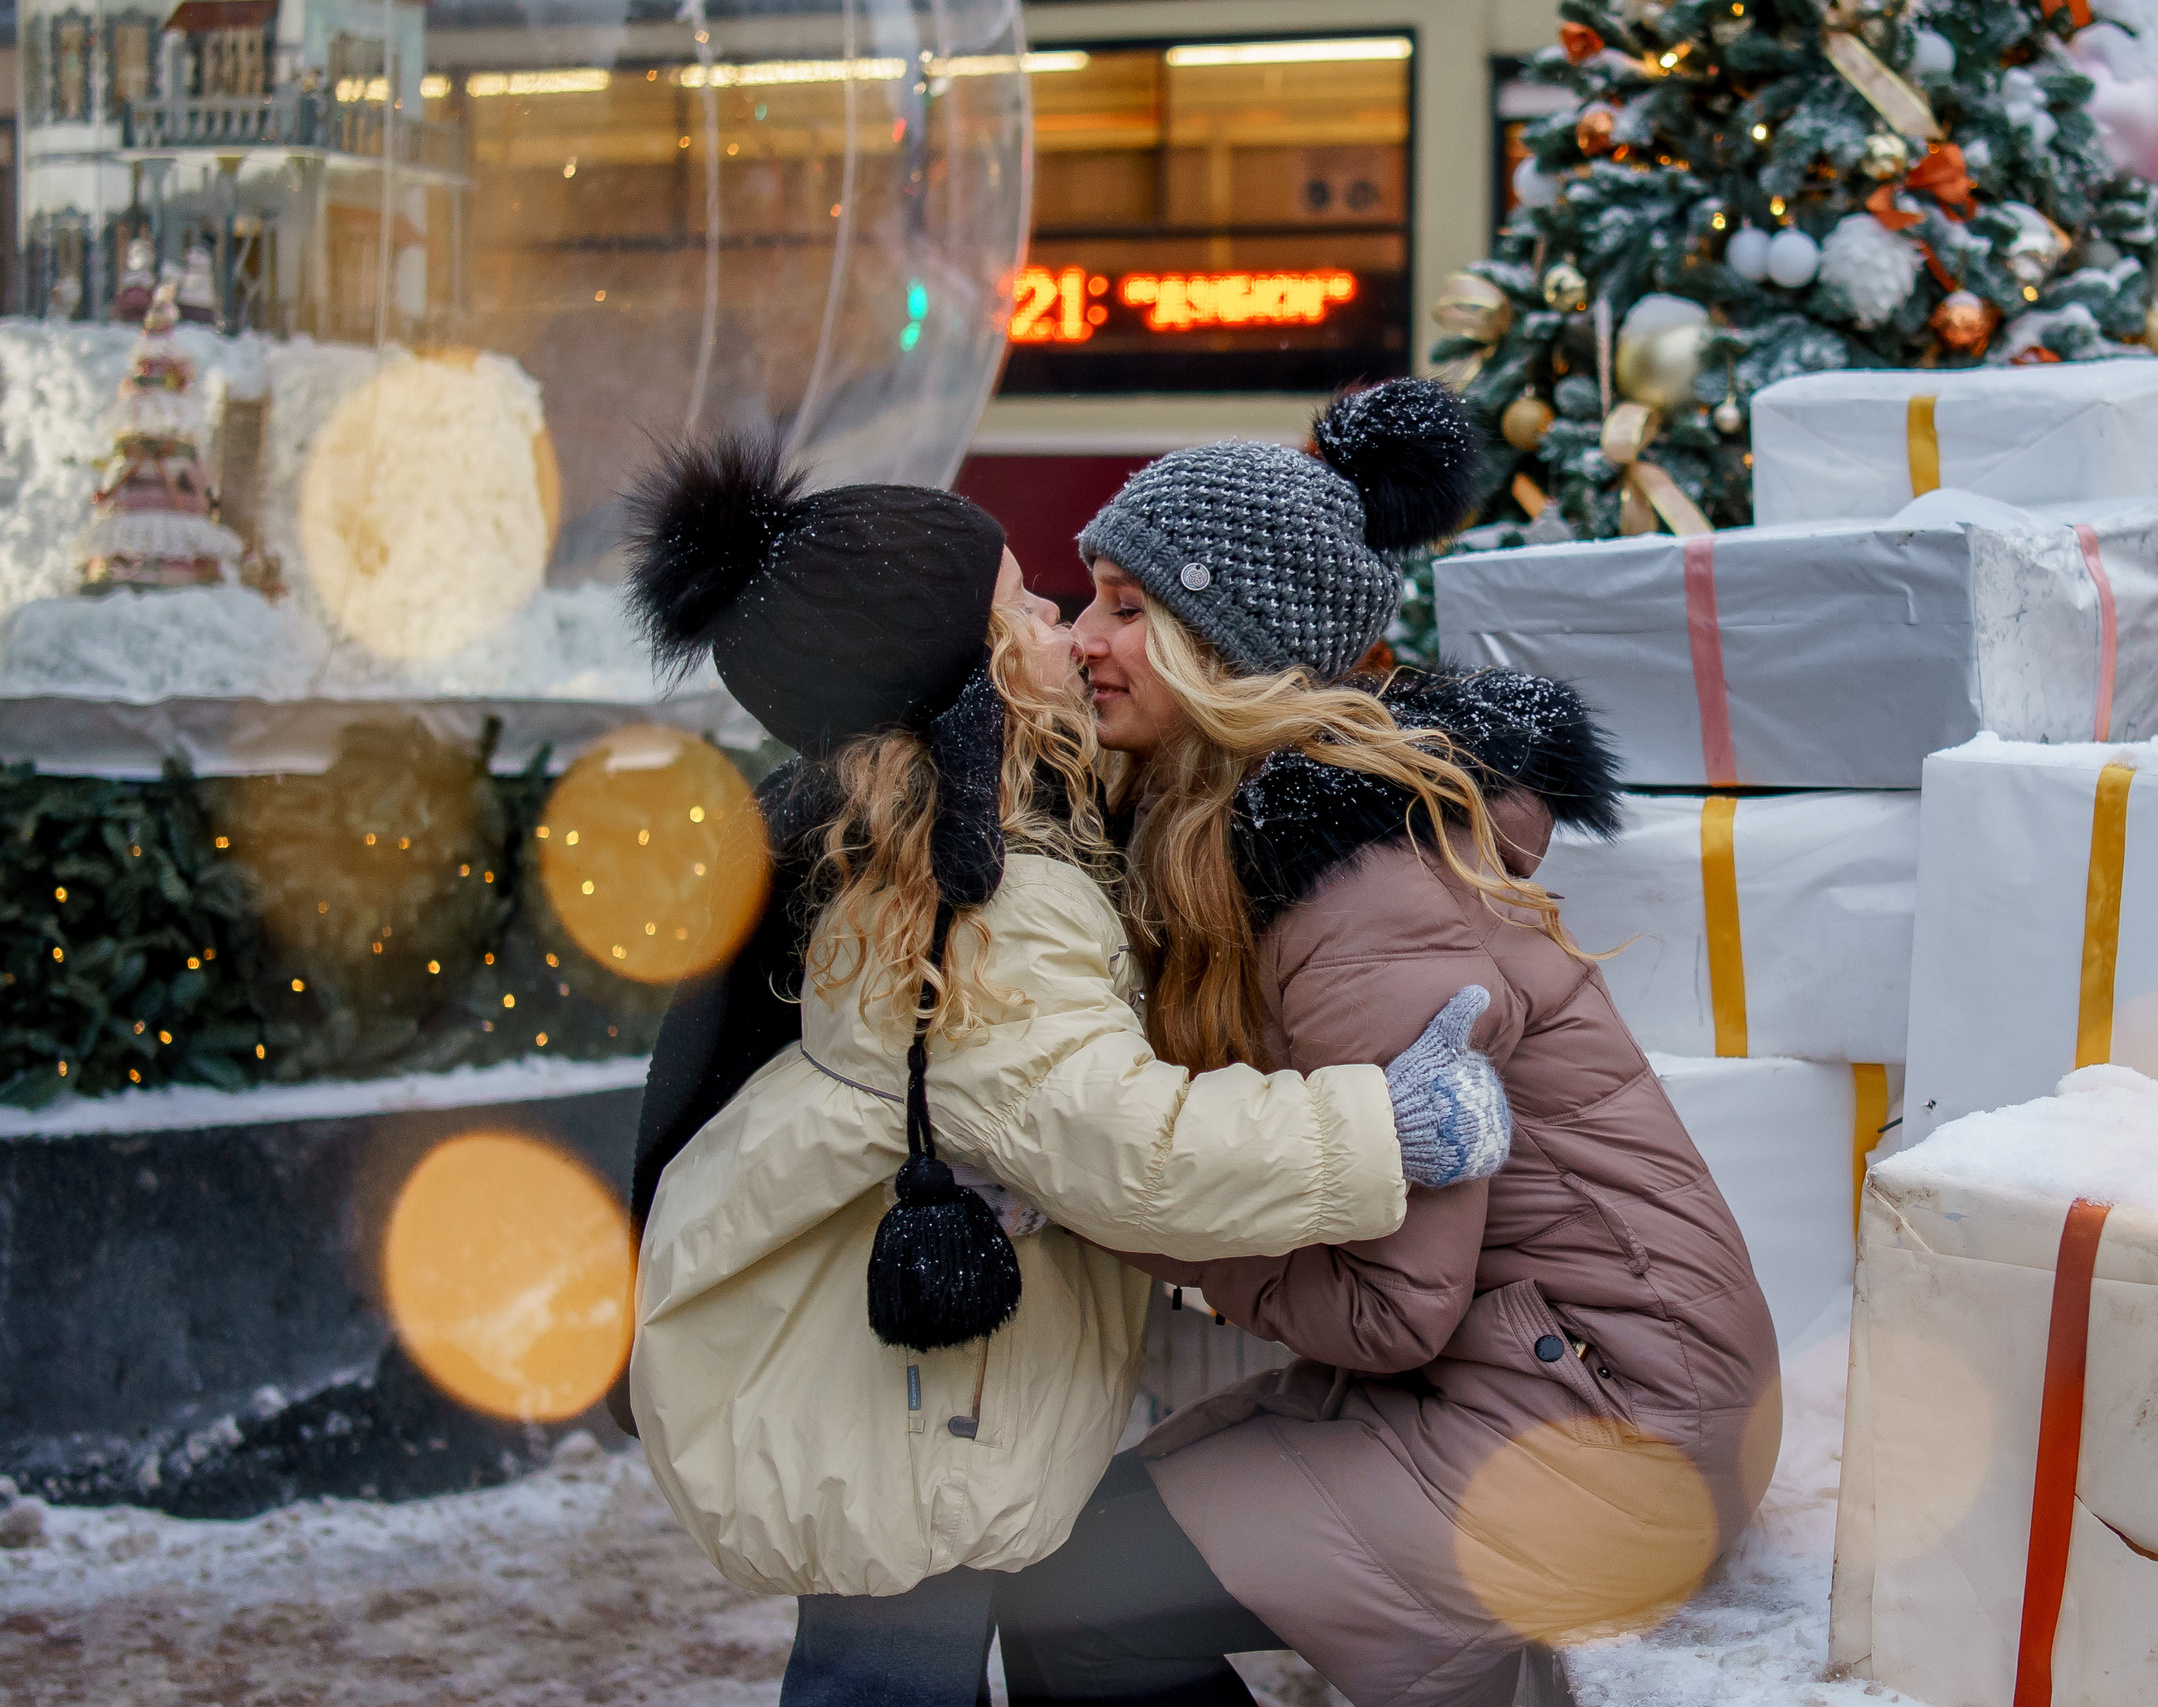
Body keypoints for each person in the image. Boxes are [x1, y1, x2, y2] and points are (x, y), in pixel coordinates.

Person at [614, 434, 1518, 1707]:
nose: (1063, 623)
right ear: (972, 673)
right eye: (1030, 604)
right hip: (921, 1404)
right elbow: (1130, 1146)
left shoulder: (915, 847)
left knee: (956, 1646)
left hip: (902, 1380)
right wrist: (1382, 1126)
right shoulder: (992, 903)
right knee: (891, 1673)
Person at [993, 380, 1784, 1707]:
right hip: (1535, 1374)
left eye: (1130, 607)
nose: (1083, 640)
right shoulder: (1246, 839)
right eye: (1087, 599)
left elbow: (1389, 1305)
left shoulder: (1357, 891)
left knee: (1083, 1594)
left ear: (1229, 648)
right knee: (1072, 1541)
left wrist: (1107, 1210)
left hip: (1609, 1422)